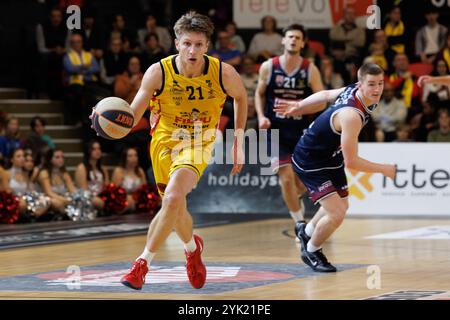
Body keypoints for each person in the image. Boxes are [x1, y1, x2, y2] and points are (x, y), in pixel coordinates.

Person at [109, 11, 247, 290]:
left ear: (207, 46)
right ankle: (192, 249)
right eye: (187, 43)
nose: (192, 50)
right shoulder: (158, 72)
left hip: (199, 141)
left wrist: (238, 142)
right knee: (175, 206)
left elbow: (241, 97)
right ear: (176, 44)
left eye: (198, 44)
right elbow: (133, 115)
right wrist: (110, 122)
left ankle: (141, 265)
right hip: (163, 141)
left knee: (172, 197)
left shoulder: (224, 72)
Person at [274, 63, 396, 272]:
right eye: (371, 84)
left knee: (342, 205)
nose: (377, 89)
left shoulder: (353, 90)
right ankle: (312, 251)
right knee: (337, 214)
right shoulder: (351, 116)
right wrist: (384, 169)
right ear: (360, 84)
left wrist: (299, 106)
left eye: (380, 84)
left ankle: (307, 231)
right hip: (310, 160)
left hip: (329, 156)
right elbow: (352, 162)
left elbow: (324, 94)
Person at [255, 24, 324, 231]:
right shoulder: (268, 66)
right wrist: (260, 116)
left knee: (300, 184)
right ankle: (299, 224)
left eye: (297, 37)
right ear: (283, 40)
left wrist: (300, 109)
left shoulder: (310, 69)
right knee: (285, 178)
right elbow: (259, 93)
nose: (293, 40)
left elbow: (322, 101)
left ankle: (298, 198)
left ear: (303, 43)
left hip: (300, 131)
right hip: (275, 130)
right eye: (290, 36)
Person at [75, 140, 109, 210]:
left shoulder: (103, 169)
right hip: (87, 197)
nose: (97, 151)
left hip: (101, 196)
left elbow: (107, 187)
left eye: (99, 148)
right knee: (98, 202)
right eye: (94, 149)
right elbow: (83, 190)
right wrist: (96, 197)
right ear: (88, 151)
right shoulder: (82, 168)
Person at [111, 147, 147, 213]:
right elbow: (115, 191)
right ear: (125, 158)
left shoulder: (140, 171)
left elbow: (145, 188)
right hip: (123, 199)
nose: (134, 158)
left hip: (138, 199)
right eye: (130, 156)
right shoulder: (119, 171)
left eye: (135, 155)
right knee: (129, 200)